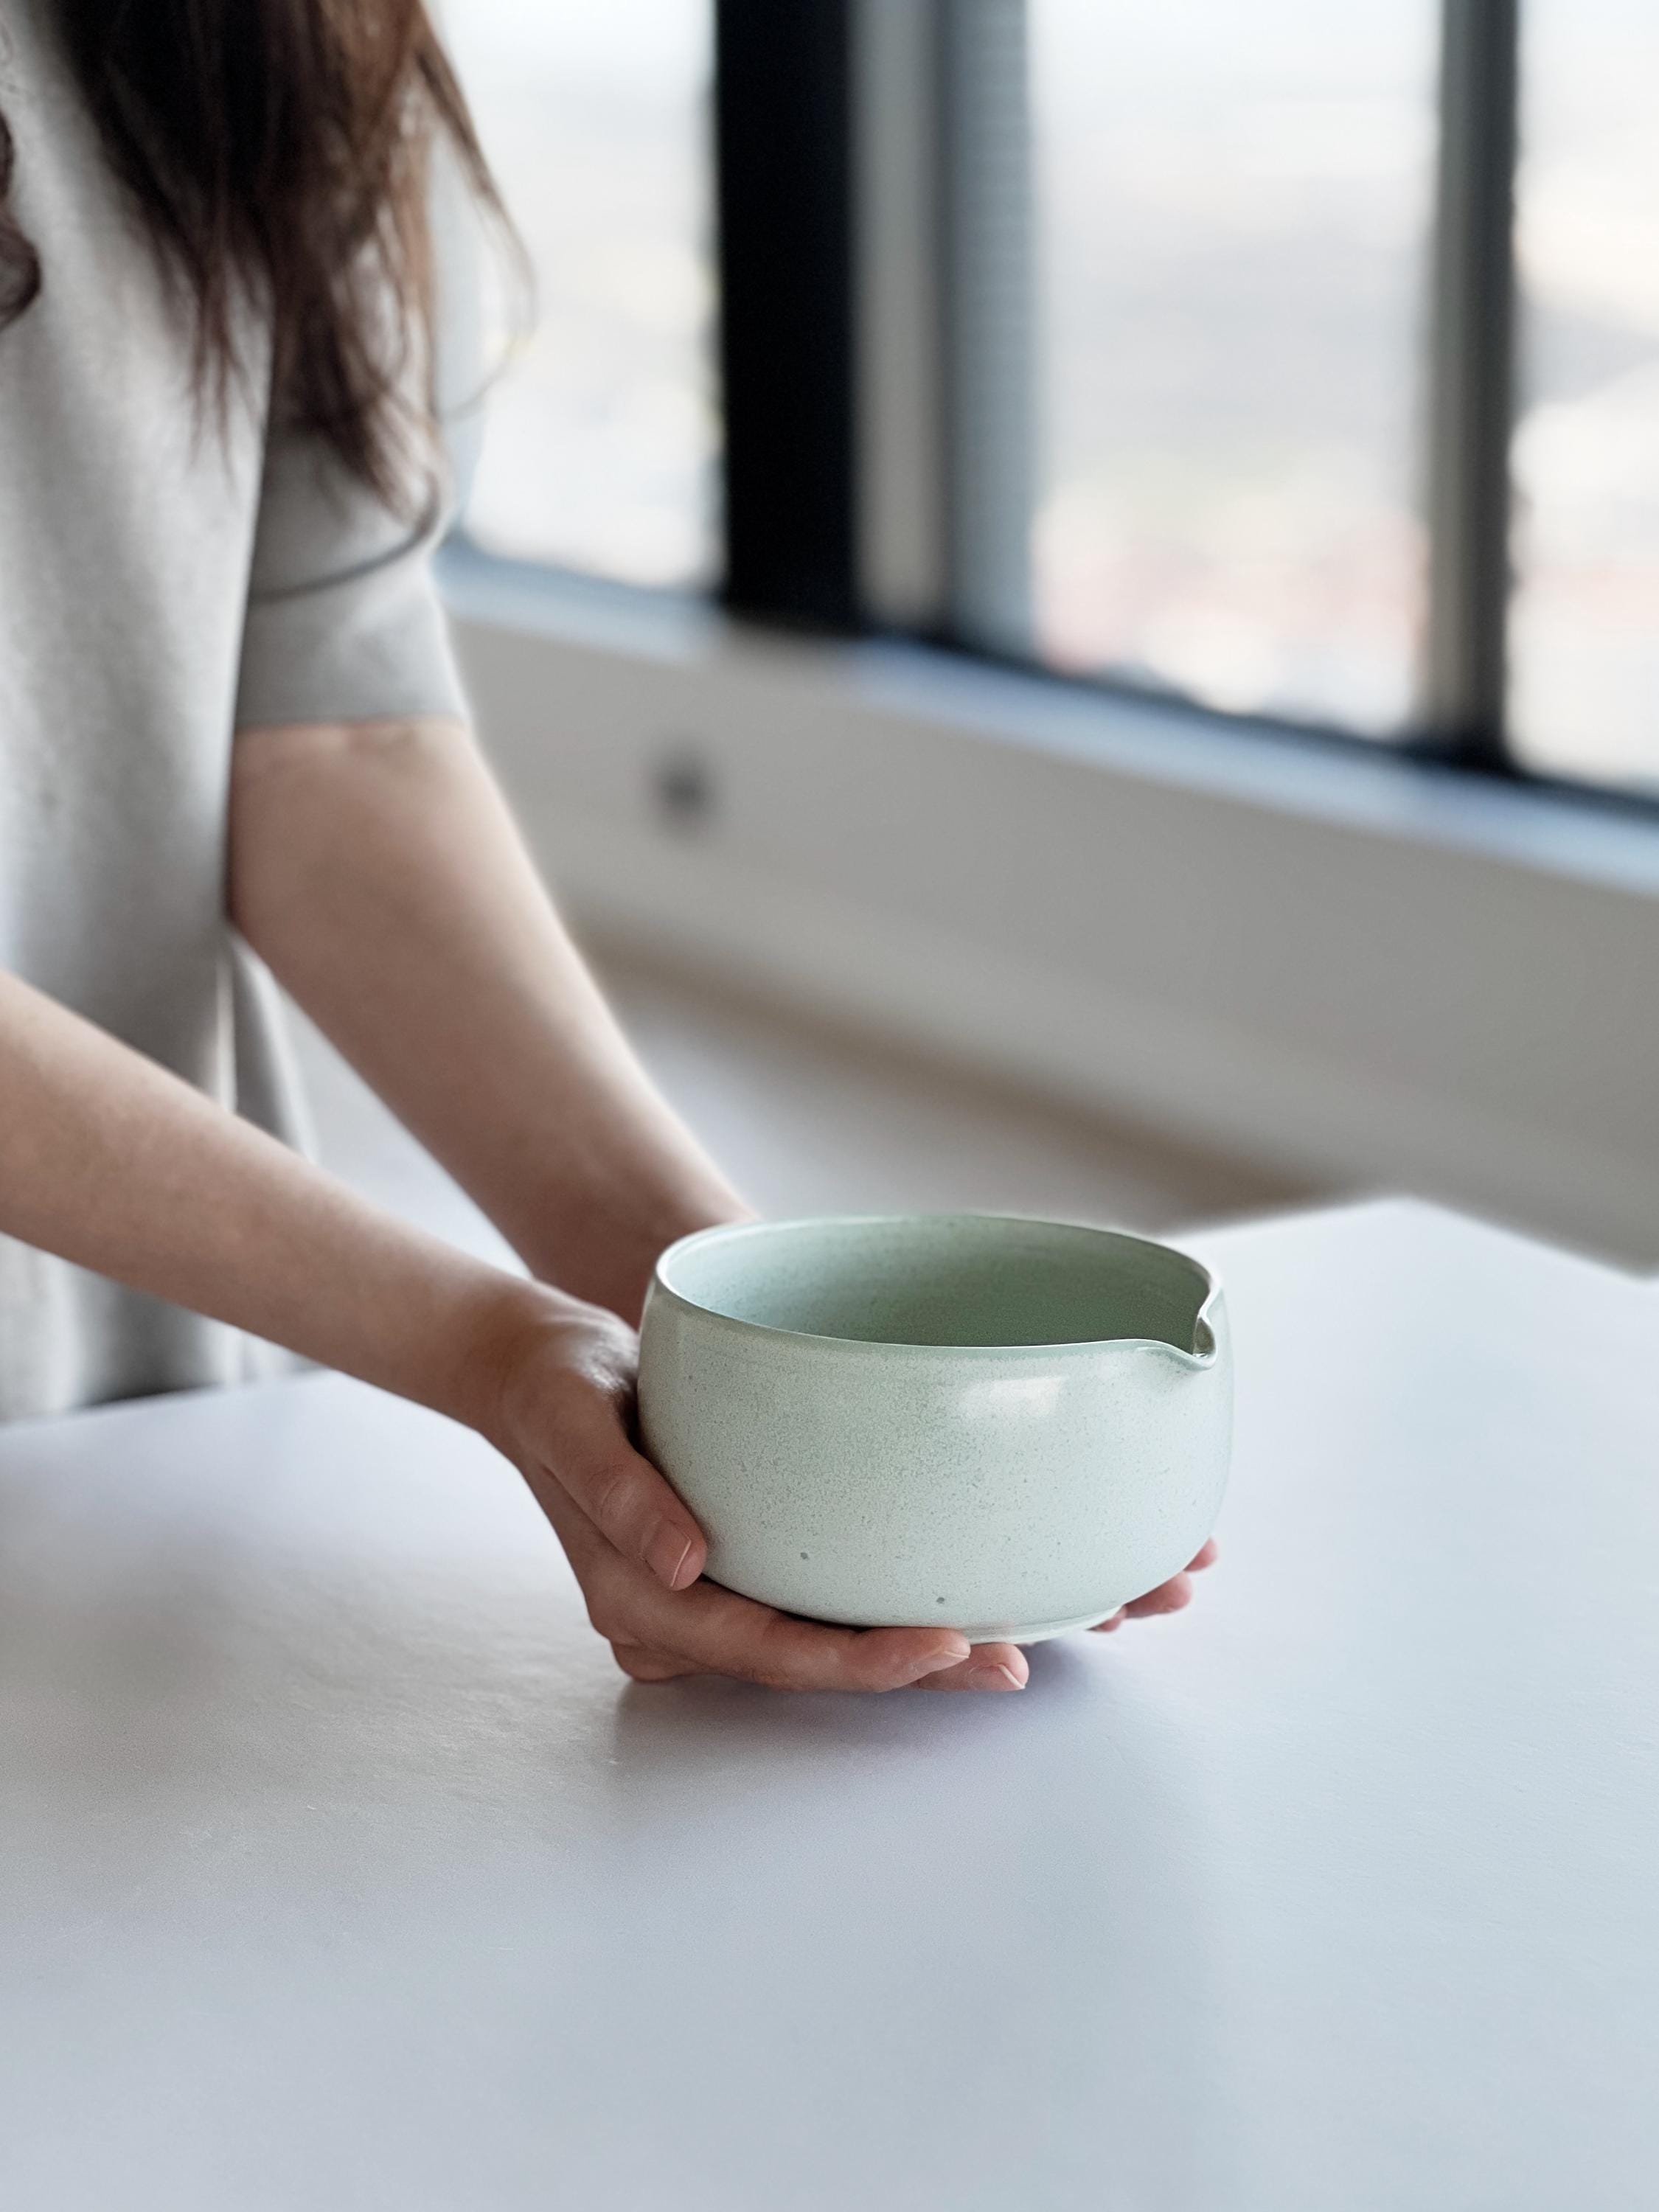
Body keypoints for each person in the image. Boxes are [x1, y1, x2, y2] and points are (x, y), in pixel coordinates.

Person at [0, 0, 1211, 1693]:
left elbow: (334, 736)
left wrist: (738, 1339)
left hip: (140, 1413)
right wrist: (481, 1344)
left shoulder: (288, 37)